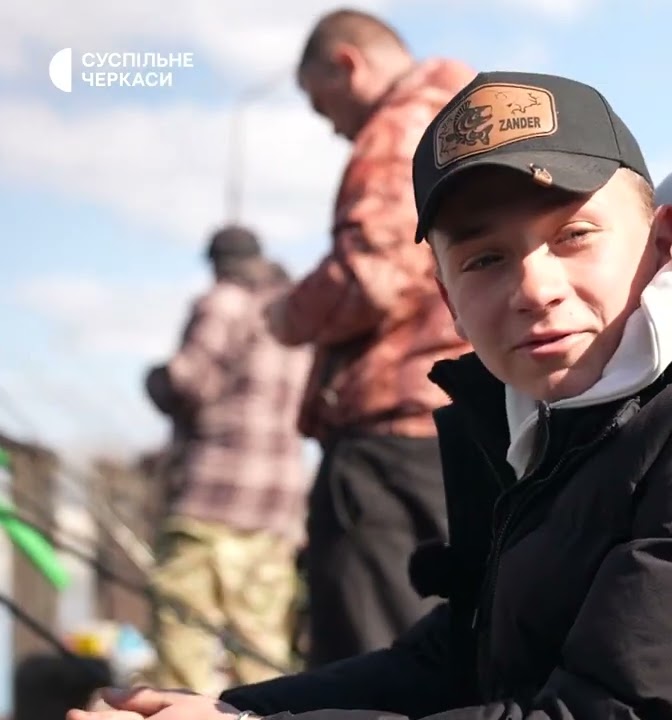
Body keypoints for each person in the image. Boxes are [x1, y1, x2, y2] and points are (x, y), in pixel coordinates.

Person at [86, 71, 672, 720]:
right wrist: (234, 710)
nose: (534, 288)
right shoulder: (589, 416)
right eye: (486, 259)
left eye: (573, 236)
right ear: (446, 295)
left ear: (662, 239)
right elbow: (466, 655)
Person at [266, 9, 477, 666]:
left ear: (347, 64)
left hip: (388, 439)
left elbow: (372, 277)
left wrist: (287, 314)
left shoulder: (397, 129)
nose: (329, 124)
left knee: (371, 655)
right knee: (443, 649)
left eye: (320, 101)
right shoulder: (469, 117)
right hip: (460, 421)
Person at [139, 225, 311, 694]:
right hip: (277, 509)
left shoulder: (223, 302)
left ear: (217, 263)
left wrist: (153, 380)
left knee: (184, 644)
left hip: (211, 501)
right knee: (263, 652)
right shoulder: (291, 316)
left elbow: (186, 381)